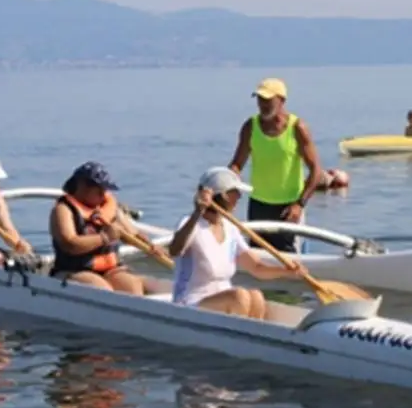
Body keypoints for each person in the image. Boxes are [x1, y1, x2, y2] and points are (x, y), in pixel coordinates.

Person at [168, 167, 305, 319]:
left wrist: (287, 271)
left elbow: (256, 267)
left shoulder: (230, 227)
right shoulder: (190, 224)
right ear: (225, 195)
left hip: (223, 301)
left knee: (256, 296)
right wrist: (197, 213)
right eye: (236, 192)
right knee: (239, 296)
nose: (239, 197)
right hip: (190, 303)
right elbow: (175, 250)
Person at [227, 77, 322, 253]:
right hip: (258, 206)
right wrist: (228, 186)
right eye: (259, 99)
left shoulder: (297, 128)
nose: (262, 104)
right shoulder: (250, 127)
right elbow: (237, 164)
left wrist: (299, 204)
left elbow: (316, 171)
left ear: (282, 101)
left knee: (289, 259)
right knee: (258, 257)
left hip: (288, 207)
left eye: (268, 100)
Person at [49, 161, 160, 294]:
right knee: (102, 290)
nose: (104, 194)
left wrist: (151, 246)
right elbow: (70, 243)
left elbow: (133, 234)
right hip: (75, 270)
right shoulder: (63, 210)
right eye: (99, 190)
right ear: (82, 187)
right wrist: (104, 237)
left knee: (132, 287)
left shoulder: (108, 208)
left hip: (110, 269)